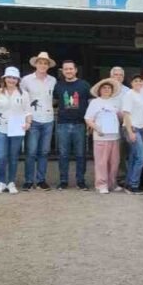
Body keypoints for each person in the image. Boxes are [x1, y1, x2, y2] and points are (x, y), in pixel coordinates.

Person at [0, 67, 31, 195]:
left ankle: (11, 182)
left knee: (13, 157)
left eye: (14, 78)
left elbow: (27, 111)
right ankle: (1, 182)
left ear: (18, 80)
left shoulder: (23, 93)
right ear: (4, 78)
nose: (11, 80)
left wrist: (28, 123)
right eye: (9, 77)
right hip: (1, 128)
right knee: (1, 156)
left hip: (16, 129)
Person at [20, 51, 57, 191]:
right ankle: (29, 180)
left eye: (45, 63)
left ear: (48, 66)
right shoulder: (26, 80)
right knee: (31, 151)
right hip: (33, 119)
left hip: (48, 119)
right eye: (40, 62)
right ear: (36, 64)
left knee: (44, 151)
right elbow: (22, 99)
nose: (42, 65)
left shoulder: (53, 80)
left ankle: (41, 180)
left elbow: (53, 98)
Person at [53, 60, 91, 191]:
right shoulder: (58, 86)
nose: (68, 71)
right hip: (63, 123)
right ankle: (63, 180)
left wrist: (90, 121)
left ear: (75, 70)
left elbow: (91, 103)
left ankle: (81, 181)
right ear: (62, 71)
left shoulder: (84, 85)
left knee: (81, 154)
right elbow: (54, 102)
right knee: (63, 154)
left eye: (71, 69)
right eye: (66, 69)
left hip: (80, 124)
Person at [85, 78, 123, 194]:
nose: (106, 90)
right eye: (104, 88)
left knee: (114, 162)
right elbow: (88, 119)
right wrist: (97, 129)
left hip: (114, 137)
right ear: (100, 90)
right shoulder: (95, 102)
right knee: (101, 162)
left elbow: (120, 118)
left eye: (109, 88)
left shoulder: (115, 102)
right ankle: (101, 184)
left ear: (112, 90)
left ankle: (112, 183)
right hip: (101, 137)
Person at [121, 74, 143, 194]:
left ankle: (128, 183)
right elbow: (126, 114)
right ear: (131, 83)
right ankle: (133, 184)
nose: (138, 83)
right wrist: (130, 131)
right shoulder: (129, 95)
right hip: (132, 128)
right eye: (135, 81)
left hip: (141, 128)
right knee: (141, 158)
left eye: (140, 81)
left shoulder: (142, 95)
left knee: (133, 157)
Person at [110, 66, 131, 187]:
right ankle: (109, 176)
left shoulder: (127, 91)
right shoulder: (106, 88)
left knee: (121, 152)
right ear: (111, 76)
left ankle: (121, 176)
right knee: (109, 151)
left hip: (122, 123)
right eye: (115, 75)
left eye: (120, 75)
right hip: (108, 125)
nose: (118, 77)